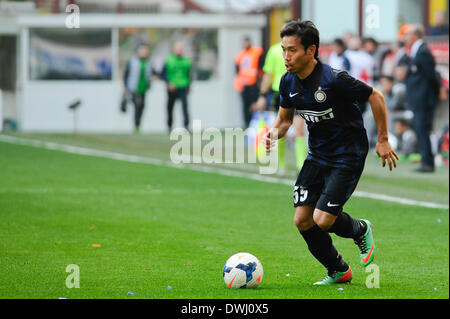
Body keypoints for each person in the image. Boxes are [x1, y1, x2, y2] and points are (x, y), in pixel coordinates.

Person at [263, 20, 398, 285]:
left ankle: (360, 229)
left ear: (311, 50)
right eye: (284, 49)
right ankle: (338, 269)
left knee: (322, 220)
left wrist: (382, 139)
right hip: (318, 156)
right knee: (302, 220)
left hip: (348, 155)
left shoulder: (334, 80)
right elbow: (285, 120)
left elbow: (376, 96)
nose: (286, 56)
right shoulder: (288, 81)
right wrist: (273, 132)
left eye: (292, 50)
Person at [255, 40, 308, 174]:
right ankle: (282, 165)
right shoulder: (274, 50)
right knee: (281, 129)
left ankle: (301, 165)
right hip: (279, 92)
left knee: (299, 128)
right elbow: (268, 74)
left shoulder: (301, 49)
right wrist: (262, 95)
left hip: (298, 90)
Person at [404, 24, 439, 172]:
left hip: (423, 99)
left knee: (422, 129)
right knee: (420, 129)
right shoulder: (417, 51)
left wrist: (433, 95)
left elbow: (432, 76)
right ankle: (426, 160)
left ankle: (428, 163)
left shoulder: (423, 51)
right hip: (419, 98)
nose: (405, 38)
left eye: (408, 34)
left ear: (416, 35)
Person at [234, 37, 264, 128]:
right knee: (245, 105)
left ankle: (255, 123)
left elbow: (261, 66)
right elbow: (237, 70)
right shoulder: (240, 55)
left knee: (254, 104)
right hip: (243, 84)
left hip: (254, 83)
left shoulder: (256, 52)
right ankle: (247, 124)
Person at [123, 43, 153, 133]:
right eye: (142, 50)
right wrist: (125, 87)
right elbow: (126, 74)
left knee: (142, 107)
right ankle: (136, 126)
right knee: (137, 105)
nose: (144, 52)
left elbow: (152, 72)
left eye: (145, 51)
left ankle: (138, 125)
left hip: (143, 88)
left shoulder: (149, 62)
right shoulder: (132, 61)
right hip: (133, 88)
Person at [162, 42, 192, 132]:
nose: (179, 51)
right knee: (170, 107)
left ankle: (186, 126)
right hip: (172, 88)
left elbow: (189, 74)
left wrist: (189, 85)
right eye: (177, 49)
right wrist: (169, 83)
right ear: (174, 49)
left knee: (185, 107)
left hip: (183, 87)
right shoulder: (169, 60)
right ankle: (169, 126)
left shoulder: (186, 61)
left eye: (180, 49)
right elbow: (163, 74)